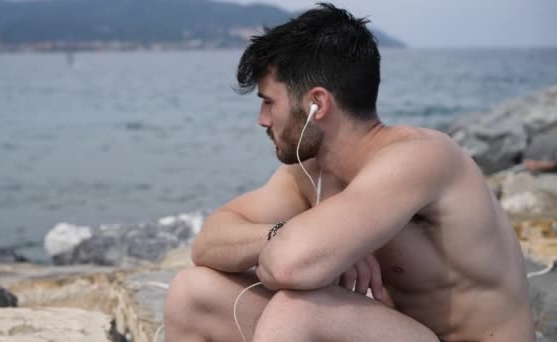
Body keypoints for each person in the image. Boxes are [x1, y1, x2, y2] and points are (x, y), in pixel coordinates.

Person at [164, 3, 534, 341]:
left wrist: (310, 248)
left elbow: (289, 266)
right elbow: (208, 243)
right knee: (193, 293)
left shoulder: (419, 158)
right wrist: (283, 233)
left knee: (299, 309)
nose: (261, 120)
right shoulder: (310, 173)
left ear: (317, 103)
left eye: (268, 102)